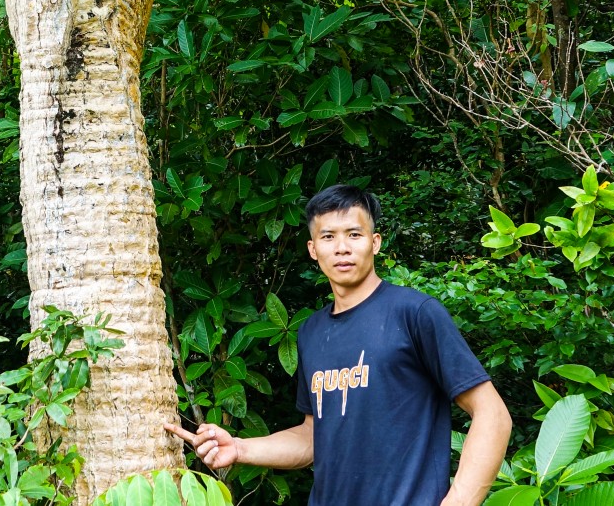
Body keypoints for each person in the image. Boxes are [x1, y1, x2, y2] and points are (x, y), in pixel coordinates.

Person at [165, 184, 512, 506]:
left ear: (375, 242)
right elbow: (312, 437)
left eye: (354, 234)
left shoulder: (414, 313)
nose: (342, 247)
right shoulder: (311, 332)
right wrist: (240, 448)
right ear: (313, 249)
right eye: (328, 236)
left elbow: (492, 415)